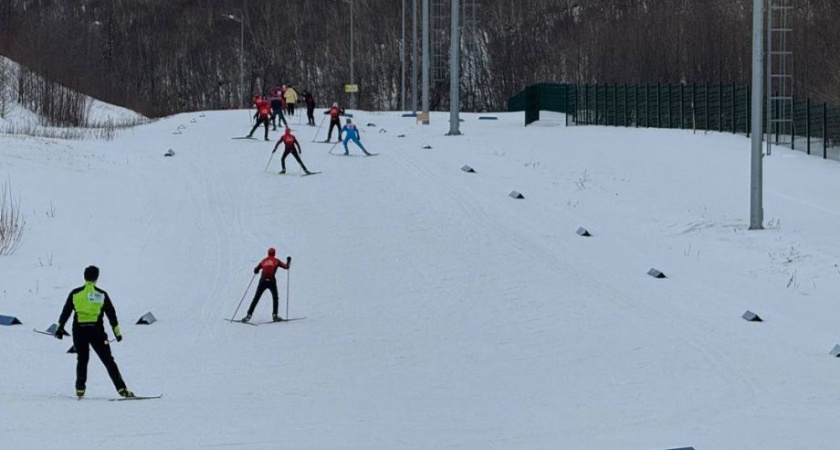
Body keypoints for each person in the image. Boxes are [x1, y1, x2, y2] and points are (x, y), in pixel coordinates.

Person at [53, 266, 134, 398]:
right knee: (108, 361)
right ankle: (122, 389)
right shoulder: (102, 294)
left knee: (82, 359)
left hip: (79, 331)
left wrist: (59, 329)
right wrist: (117, 333)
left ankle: (80, 389)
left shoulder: (75, 293)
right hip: (97, 332)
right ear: (96, 278)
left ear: (84, 277)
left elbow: (65, 312)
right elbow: (111, 315)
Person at [242, 248, 290, 323]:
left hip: (262, 281)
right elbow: (286, 267)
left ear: (268, 253)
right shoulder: (276, 261)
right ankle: (275, 316)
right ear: (274, 253)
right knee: (275, 298)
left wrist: (256, 271)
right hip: (271, 281)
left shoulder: (263, 261)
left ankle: (248, 315)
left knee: (256, 298)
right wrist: (289, 261)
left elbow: (256, 270)